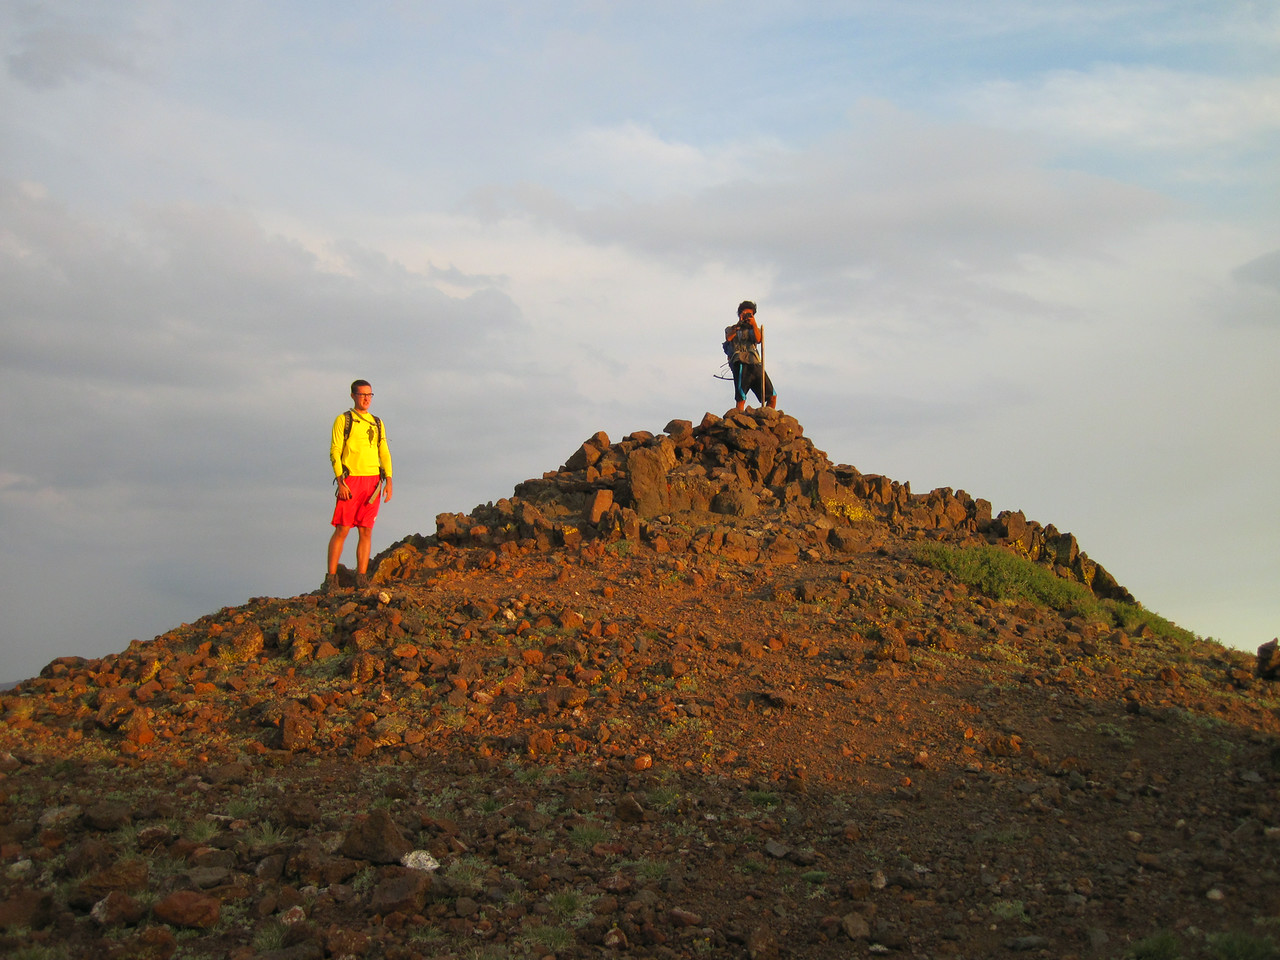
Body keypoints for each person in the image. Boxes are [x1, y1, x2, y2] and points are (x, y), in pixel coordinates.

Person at [324, 380, 393, 591]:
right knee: (342, 529)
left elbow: (384, 451)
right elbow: (335, 450)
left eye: (370, 395)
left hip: (373, 482)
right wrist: (341, 480)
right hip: (351, 481)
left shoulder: (378, 423)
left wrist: (388, 479)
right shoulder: (344, 420)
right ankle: (331, 579)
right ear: (353, 396)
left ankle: (361, 578)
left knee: (366, 530)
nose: (366, 398)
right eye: (362, 394)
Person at [724, 300, 777, 411]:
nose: (747, 317)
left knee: (772, 395)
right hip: (741, 363)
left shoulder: (755, 329)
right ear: (739, 314)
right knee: (741, 398)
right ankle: (739, 421)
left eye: (750, 315)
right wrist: (738, 325)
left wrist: (753, 324)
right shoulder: (731, 328)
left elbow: (758, 340)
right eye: (745, 314)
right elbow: (728, 338)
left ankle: (767, 417)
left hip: (755, 363)